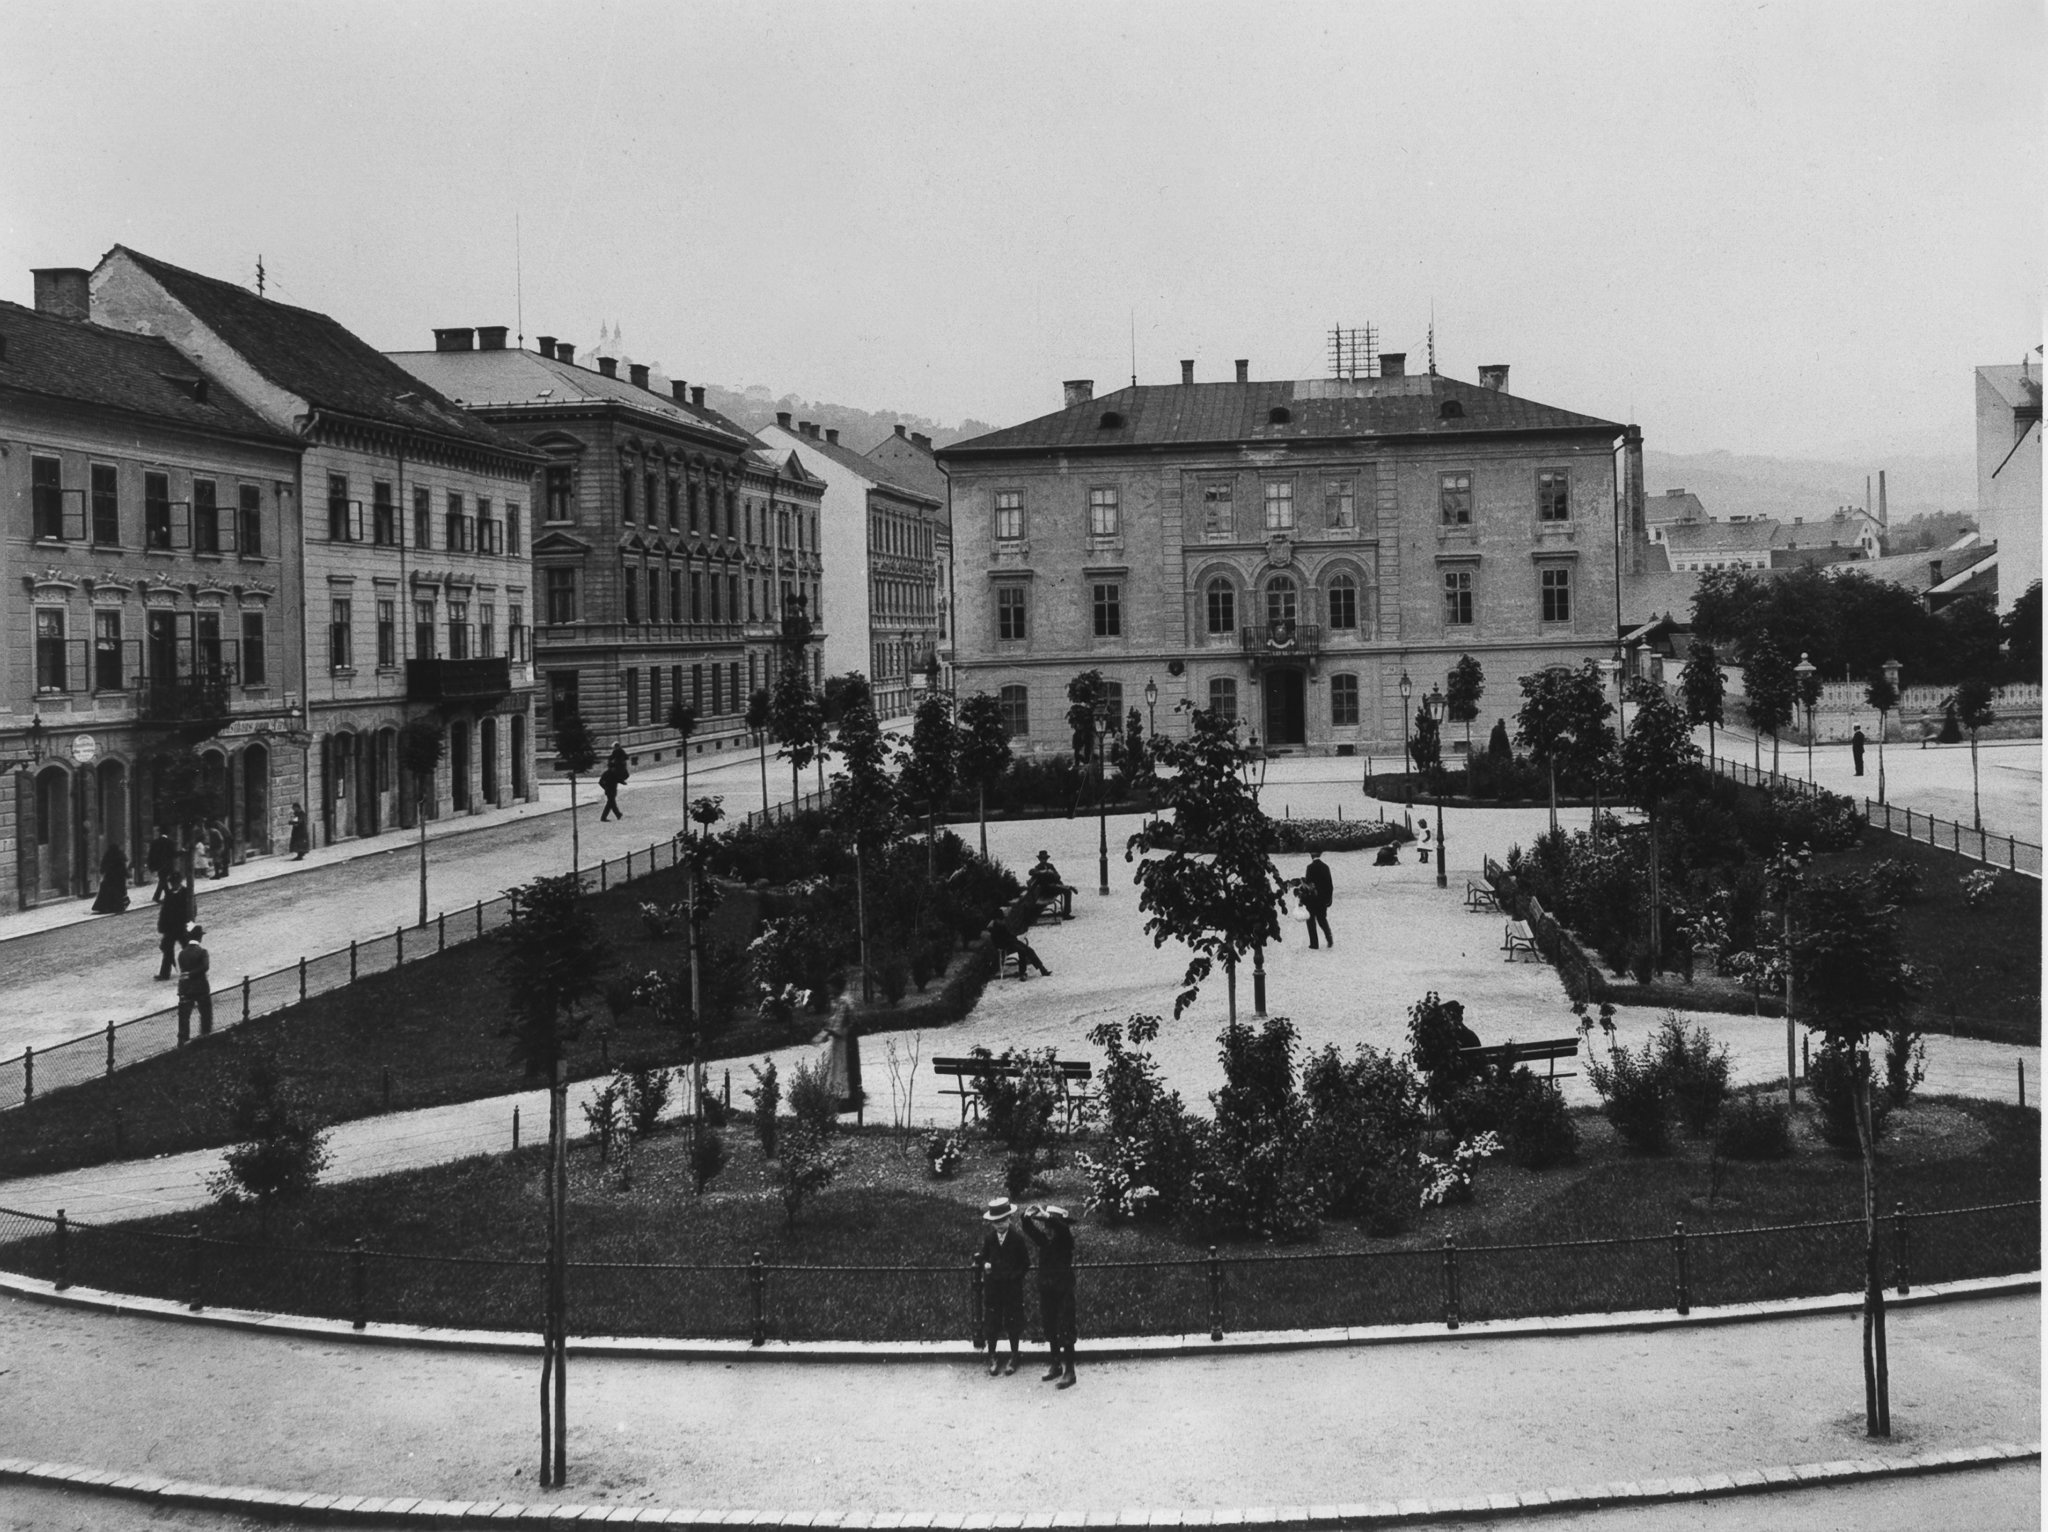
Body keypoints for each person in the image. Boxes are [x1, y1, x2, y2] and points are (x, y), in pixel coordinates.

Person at [1020, 1203, 1078, 1388]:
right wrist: (1026, 1217)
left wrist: (1047, 1217)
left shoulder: (1066, 1240)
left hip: (1064, 1291)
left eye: (1050, 1226)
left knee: (1066, 1328)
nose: (1048, 1230)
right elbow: (1029, 1230)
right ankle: (1055, 1365)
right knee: (1050, 1326)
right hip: (1047, 1290)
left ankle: (1070, 1371)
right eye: (1047, 1227)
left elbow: (1062, 1230)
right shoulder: (1045, 1241)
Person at [976, 1197, 1032, 1376]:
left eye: (1003, 1220)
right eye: (996, 1222)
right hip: (993, 1289)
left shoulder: (1017, 1239)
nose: (1000, 1225)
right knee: (992, 1322)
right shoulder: (990, 1239)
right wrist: (985, 1264)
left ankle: (1014, 1355)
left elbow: (1025, 1264)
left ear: (1010, 1219)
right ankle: (992, 1355)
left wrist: (1013, 1278)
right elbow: (983, 1256)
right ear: (992, 1223)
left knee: (1013, 1321)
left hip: (1011, 1289)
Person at [821, 984, 864, 1123]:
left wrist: (824, 1033)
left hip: (845, 1041)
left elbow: (837, 1026)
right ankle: (841, 1097)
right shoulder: (840, 1002)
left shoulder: (843, 1003)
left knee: (843, 1070)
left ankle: (846, 1100)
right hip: (841, 1042)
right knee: (837, 1069)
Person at [987, 907, 1051, 979]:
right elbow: (1000, 942)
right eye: (1001, 919)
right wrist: (1013, 940)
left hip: (1011, 943)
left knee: (1028, 950)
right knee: (1023, 950)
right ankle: (1025, 972)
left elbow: (1009, 935)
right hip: (1004, 947)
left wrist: (1014, 939)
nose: (1003, 921)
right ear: (996, 920)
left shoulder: (1001, 926)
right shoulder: (995, 929)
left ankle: (1041, 969)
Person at [176, 923, 214, 1042]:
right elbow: (205, 967)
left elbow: (183, 969)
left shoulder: (182, 953)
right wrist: (192, 974)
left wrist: (187, 975)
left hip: (186, 988)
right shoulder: (202, 952)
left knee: (184, 1016)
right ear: (199, 938)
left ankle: (183, 1039)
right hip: (200, 987)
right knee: (205, 1013)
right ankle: (205, 1035)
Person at [156, 872, 194, 981]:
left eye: (175, 883)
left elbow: (192, 910)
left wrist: (190, 925)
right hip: (170, 928)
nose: (174, 885)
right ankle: (164, 973)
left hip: (182, 927)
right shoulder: (169, 893)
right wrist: (162, 925)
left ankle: (192, 970)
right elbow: (164, 912)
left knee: (187, 949)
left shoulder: (187, 893)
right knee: (167, 950)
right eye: (172, 883)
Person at [1301, 848, 1334, 950]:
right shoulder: (1325, 867)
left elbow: (1308, 884)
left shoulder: (1310, 868)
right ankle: (1329, 938)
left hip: (1312, 899)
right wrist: (1328, 899)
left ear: (1311, 856)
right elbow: (1330, 885)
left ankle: (1314, 944)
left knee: (1310, 921)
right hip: (1322, 899)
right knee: (1322, 920)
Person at [1027, 850, 1076, 919]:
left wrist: (1052, 873)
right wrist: (1044, 872)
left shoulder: (1050, 865)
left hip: (1053, 887)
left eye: (1045, 859)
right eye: (1042, 859)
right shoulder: (1038, 867)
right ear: (1039, 859)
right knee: (1067, 891)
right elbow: (1031, 872)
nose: (1043, 860)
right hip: (1046, 889)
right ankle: (1066, 914)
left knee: (1067, 891)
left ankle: (1067, 889)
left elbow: (1058, 877)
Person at [91, 841, 131, 914]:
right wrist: (127, 875)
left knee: (108, 893)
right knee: (118, 893)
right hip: (119, 878)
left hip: (110, 878)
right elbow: (123, 868)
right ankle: (117, 906)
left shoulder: (108, 855)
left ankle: (108, 907)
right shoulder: (120, 856)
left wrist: (103, 871)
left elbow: (103, 866)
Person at [598, 743, 628, 821]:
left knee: (610, 803)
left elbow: (617, 779)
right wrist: (605, 788)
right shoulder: (609, 773)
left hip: (611, 790)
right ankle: (606, 817)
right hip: (610, 791)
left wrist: (623, 782)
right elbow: (600, 782)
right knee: (611, 803)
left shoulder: (610, 773)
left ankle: (616, 814)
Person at [145, 829, 176, 901]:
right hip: (167, 864)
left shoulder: (154, 842)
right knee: (163, 880)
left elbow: (151, 855)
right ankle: (157, 897)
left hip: (158, 864)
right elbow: (173, 854)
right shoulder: (170, 842)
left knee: (163, 879)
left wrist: (151, 865)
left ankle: (167, 895)